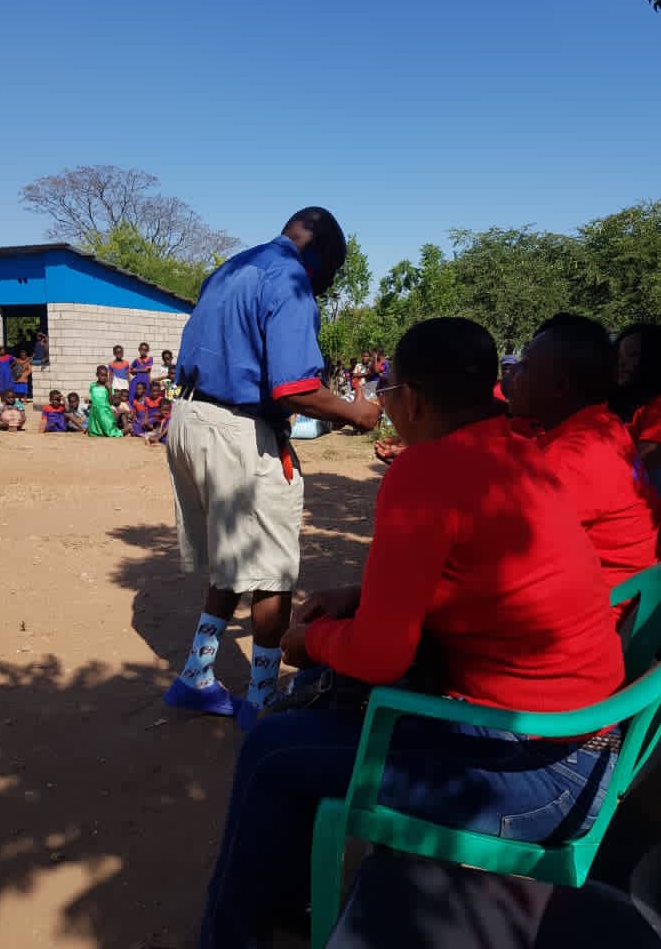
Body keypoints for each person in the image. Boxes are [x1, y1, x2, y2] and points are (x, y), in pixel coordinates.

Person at [199, 318, 625, 948]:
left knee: (274, 748)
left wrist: (308, 641)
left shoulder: (426, 472)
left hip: (537, 774)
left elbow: (378, 656)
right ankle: (281, 902)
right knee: (326, 706)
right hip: (582, 752)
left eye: (389, 391)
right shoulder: (516, 449)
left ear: (415, 400)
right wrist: (357, 598)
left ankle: (234, 935)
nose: (386, 404)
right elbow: (465, 577)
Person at [162, 206, 380, 730]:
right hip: (237, 430)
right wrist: (355, 413)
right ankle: (262, 700)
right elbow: (294, 388)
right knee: (272, 571)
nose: (326, 285)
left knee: (234, 558)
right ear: (320, 254)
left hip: (189, 418)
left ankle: (196, 675)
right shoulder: (290, 279)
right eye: (331, 273)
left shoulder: (235, 268)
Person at [509, 313, 659, 617]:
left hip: (604, 614)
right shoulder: (601, 424)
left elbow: (501, 550)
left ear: (559, 386)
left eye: (525, 365)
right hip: (620, 597)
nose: (513, 374)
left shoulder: (574, 457)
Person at [613, 322, 661, 493]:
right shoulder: (618, 403)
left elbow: (644, 462)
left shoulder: (657, 407)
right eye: (619, 356)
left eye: (632, 355)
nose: (622, 363)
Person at [87, 365, 124, 438]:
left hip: (104, 412)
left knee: (111, 432)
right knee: (94, 433)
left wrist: (109, 390)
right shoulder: (92, 385)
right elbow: (92, 399)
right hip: (95, 412)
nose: (104, 377)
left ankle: (126, 429)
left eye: (106, 375)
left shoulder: (108, 386)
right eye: (102, 375)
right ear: (97, 375)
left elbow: (111, 402)